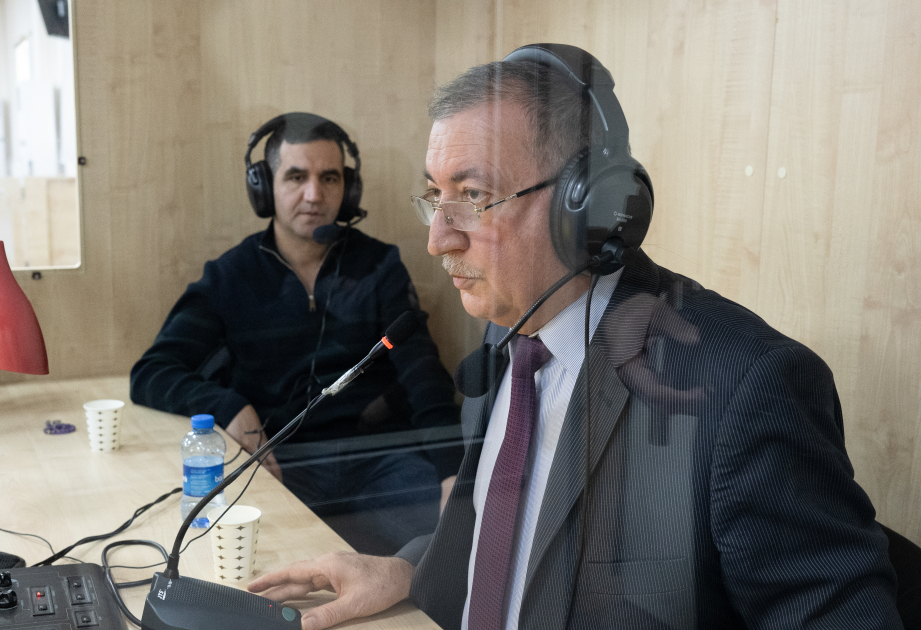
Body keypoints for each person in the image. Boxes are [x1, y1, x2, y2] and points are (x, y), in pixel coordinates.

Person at [246, 47, 903, 630]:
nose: (437, 238)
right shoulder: (512, 334)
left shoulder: (744, 388)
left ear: (584, 203)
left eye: (472, 196)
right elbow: (512, 533)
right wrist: (408, 569)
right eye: (434, 195)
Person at [130, 113, 462, 556]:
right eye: (296, 177)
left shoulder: (378, 266)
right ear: (263, 187)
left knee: (439, 559)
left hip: (379, 463)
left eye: (329, 178)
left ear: (349, 188)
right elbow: (151, 372)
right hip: (284, 464)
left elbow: (423, 373)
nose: (314, 195)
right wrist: (229, 407)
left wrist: (452, 473)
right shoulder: (231, 276)